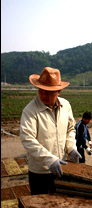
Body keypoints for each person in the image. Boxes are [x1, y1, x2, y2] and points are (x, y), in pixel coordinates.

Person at [20, 67, 82, 195]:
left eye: (48, 92)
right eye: (41, 90)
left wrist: (71, 148)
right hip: (40, 172)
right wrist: (49, 159)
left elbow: (70, 129)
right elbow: (27, 139)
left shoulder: (66, 106)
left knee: (60, 206)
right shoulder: (30, 111)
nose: (43, 95)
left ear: (58, 91)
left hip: (62, 167)